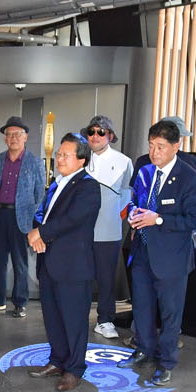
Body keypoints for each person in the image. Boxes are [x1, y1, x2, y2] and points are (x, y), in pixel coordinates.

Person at [121, 120, 196, 387]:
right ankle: (144, 349)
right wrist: (133, 214)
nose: (154, 152)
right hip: (142, 251)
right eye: (151, 145)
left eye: (160, 146)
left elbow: (194, 219)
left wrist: (158, 219)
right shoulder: (145, 171)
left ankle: (166, 362)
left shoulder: (189, 176)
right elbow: (135, 201)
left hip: (171, 258)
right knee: (142, 307)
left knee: (170, 314)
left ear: (176, 146)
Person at [27, 134, 101, 392]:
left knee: (74, 320)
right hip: (49, 260)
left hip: (73, 265)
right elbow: (43, 214)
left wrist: (41, 232)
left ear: (82, 160)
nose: (59, 159)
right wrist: (37, 233)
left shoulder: (88, 186)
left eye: (65, 155)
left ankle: (74, 368)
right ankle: (57, 360)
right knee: (53, 317)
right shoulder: (57, 183)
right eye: (58, 154)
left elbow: (72, 219)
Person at [0, 117, 47, 319]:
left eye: (17, 134)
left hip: (22, 218)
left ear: (25, 137)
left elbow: (40, 195)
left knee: (20, 262)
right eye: (9, 134)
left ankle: (20, 302)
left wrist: (34, 220)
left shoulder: (35, 162)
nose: (13, 138)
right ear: (5, 138)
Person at [83, 114, 134, 340]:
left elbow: (126, 194)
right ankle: (77, 315)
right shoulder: (80, 157)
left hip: (109, 231)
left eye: (101, 132)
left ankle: (104, 320)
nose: (95, 136)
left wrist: (112, 215)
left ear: (110, 136)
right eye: (91, 132)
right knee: (80, 277)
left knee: (106, 279)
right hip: (80, 232)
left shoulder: (124, 161)